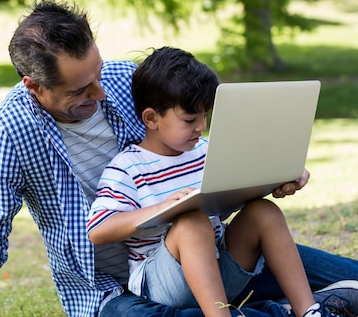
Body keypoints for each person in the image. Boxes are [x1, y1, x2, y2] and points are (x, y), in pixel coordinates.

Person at [0, 0, 358, 317]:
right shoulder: (7, 135)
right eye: (80, 90)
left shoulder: (123, 80)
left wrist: (270, 174)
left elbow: (202, 156)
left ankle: (288, 309)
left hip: (210, 259)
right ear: (34, 87)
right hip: (114, 292)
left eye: (97, 74)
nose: (100, 93)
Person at [87, 47, 333, 317]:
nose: (201, 126)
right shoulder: (127, 167)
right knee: (192, 223)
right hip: (163, 285)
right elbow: (98, 230)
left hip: (217, 273)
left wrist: (283, 174)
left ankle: (308, 311)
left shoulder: (206, 152)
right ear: (151, 118)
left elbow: (242, 184)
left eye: (205, 115)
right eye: (190, 119)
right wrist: (163, 208)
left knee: (265, 212)